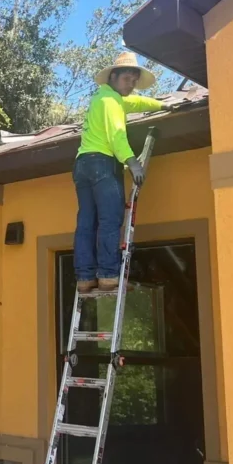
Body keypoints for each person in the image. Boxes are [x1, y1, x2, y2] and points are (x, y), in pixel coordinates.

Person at [73, 52, 164, 294]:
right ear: (113, 76)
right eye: (127, 79)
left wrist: (163, 104)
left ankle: (85, 277)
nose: (131, 84)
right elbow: (116, 136)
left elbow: (138, 103)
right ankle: (108, 275)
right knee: (110, 219)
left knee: (87, 222)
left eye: (134, 81)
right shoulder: (111, 102)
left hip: (83, 164)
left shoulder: (104, 98)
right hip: (102, 162)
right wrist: (133, 163)